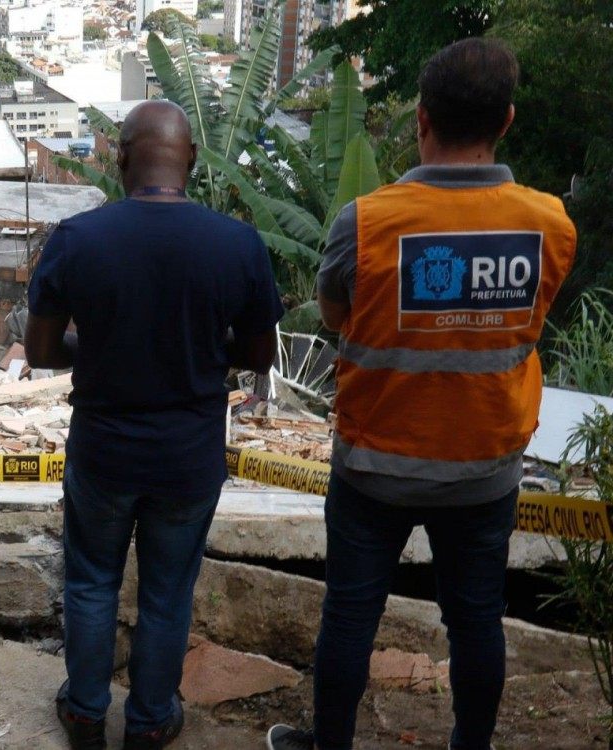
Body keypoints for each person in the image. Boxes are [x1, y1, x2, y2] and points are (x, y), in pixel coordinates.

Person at [266, 38, 576, 750]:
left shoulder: (368, 222)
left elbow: (341, 316)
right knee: (475, 621)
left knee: (350, 616)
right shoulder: (550, 224)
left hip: (375, 465)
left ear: (421, 120)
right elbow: (524, 322)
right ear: (507, 119)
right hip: (484, 468)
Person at [26, 99, 284, 750]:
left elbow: (41, 352)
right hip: (188, 458)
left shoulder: (79, 239)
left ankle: (85, 713)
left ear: (120, 158)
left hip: (103, 451)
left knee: (90, 582)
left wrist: (108, 350)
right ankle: (148, 723)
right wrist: (195, 354)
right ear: (191, 159)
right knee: (168, 594)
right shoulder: (237, 244)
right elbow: (259, 356)